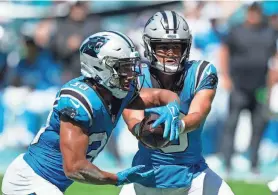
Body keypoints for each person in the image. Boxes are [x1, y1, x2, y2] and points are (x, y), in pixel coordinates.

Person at [1, 31, 182, 195]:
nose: (131, 74)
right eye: (123, 67)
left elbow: (162, 95)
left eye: (130, 66)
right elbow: (74, 168)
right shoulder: (80, 100)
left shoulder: (119, 92)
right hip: (28, 181)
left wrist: (172, 107)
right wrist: (117, 178)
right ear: (99, 67)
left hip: (50, 185)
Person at [119, 11, 234, 195]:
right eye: (163, 47)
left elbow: (199, 113)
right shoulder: (137, 76)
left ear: (186, 47)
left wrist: (178, 124)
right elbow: (133, 119)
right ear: (150, 47)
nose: (171, 53)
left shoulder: (201, 72)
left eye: (176, 46)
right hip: (147, 173)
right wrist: (146, 130)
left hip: (193, 172)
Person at [219, 2, 277, 175]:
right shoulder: (236, 31)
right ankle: (227, 163)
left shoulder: (269, 32)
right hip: (239, 85)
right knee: (232, 124)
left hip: (260, 87)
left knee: (258, 126)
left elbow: (274, 55)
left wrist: (272, 79)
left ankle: (254, 164)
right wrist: (226, 76)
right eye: (251, 12)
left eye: (256, 12)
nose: (254, 16)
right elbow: (224, 51)